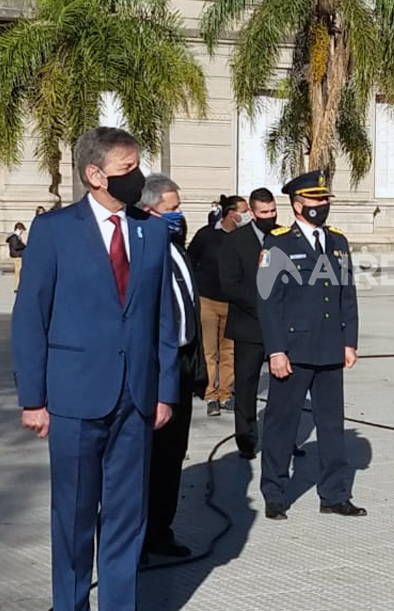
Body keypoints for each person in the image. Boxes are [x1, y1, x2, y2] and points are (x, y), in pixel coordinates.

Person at [12, 126, 178, 611]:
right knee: (74, 516)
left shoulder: (151, 230)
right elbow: (31, 319)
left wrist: (165, 390)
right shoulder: (55, 230)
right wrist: (33, 400)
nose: (138, 177)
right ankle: (70, 603)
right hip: (74, 399)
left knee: (128, 516)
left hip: (136, 399)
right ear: (94, 175)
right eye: (127, 170)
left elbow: (162, 317)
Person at [257, 169, 364, 520]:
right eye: (316, 200)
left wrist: (349, 341)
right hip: (293, 349)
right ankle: (274, 491)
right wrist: (275, 350)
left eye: (325, 200)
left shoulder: (337, 242)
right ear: (298, 204)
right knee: (281, 423)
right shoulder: (279, 243)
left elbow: (346, 294)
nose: (323, 205)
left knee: (331, 424)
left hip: (330, 347)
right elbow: (268, 301)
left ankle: (333, 494)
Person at [138, 173, 208, 560]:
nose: (179, 216)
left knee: (172, 454)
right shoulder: (142, 250)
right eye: (172, 209)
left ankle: (161, 531)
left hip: (181, 362)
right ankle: (137, 537)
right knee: (146, 457)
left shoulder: (177, 248)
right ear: (149, 211)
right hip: (152, 367)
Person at [219, 187, 279, 459]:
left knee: (285, 385)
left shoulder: (285, 237)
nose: (270, 216)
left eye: (273, 211)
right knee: (246, 385)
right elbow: (230, 284)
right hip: (249, 324)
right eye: (264, 212)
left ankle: (283, 439)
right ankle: (246, 439)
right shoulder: (235, 241)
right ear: (252, 213)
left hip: (281, 325)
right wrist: (262, 308)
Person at [188, 194, 248, 416]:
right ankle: (210, 395)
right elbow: (191, 260)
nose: (248, 215)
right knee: (208, 351)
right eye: (244, 210)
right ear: (232, 214)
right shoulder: (206, 235)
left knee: (229, 351)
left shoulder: (244, 237)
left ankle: (225, 394)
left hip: (233, 303)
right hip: (208, 301)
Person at [7, 222, 27, 293]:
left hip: (18, 255)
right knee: (18, 272)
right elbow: (16, 246)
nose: (22, 232)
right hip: (17, 255)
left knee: (19, 272)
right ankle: (16, 287)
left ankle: (18, 286)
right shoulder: (14, 237)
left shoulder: (16, 237)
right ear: (18, 229)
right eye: (21, 230)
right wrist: (24, 246)